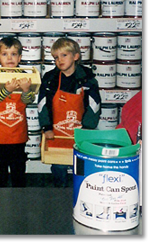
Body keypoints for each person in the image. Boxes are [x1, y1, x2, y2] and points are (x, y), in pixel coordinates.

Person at [38, 37, 101, 187]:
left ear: (76, 56)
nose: (59, 60)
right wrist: (46, 127)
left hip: (81, 135)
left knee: (80, 169)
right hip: (56, 134)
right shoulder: (49, 79)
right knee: (58, 167)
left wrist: (87, 129)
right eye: (56, 57)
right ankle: (59, 196)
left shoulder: (87, 79)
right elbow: (42, 105)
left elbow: (94, 106)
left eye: (64, 55)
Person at [0, 37, 36, 187]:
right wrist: (7, 90)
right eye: (5, 54)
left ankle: (18, 196)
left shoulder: (26, 77)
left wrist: (26, 90)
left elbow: (28, 100)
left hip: (18, 133)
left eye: (14, 54)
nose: (9, 58)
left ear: (20, 57)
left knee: (18, 168)